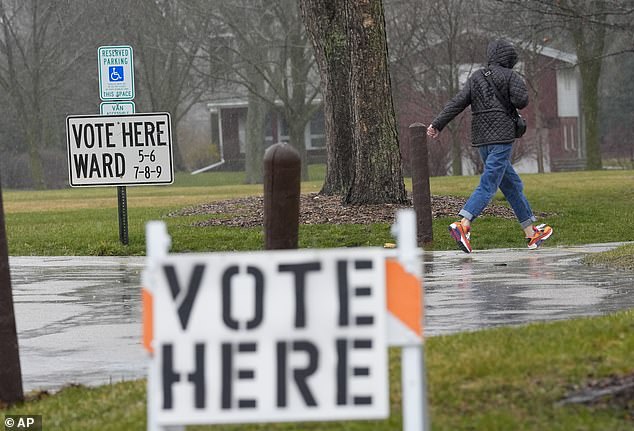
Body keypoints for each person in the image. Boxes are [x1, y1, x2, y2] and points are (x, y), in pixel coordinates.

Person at [426, 39, 552, 253]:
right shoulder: (511, 76)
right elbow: (521, 101)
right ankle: (463, 224)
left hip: (482, 139)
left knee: (512, 185)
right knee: (489, 184)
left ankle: (531, 233)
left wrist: (437, 124)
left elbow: (458, 102)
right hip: (501, 138)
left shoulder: (476, 77)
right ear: (510, 58)